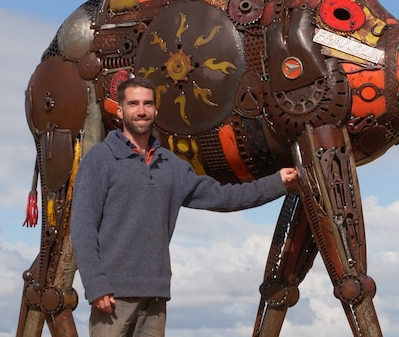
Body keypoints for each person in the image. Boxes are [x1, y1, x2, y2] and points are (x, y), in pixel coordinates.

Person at [70, 76, 299, 337]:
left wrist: (277, 182)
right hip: (112, 294)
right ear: (120, 111)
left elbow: (225, 197)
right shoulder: (100, 159)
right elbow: (83, 228)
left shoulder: (171, 165)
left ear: (156, 110)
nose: (141, 110)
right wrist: (96, 285)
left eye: (147, 104)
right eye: (133, 104)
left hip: (156, 293)